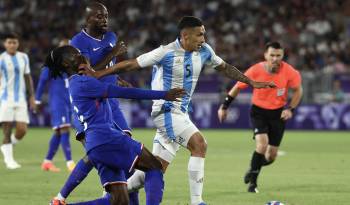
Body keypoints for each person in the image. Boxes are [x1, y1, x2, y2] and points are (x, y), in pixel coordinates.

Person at [83, 16, 275, 205]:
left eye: (204, 35)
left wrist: (250, 82)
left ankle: (110, 198)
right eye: (200, 35)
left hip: (180, 113)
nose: (204, 39)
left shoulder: (205, 51)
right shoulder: (165, 52)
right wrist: (99, 73)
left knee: (154, 169)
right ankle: (197, 202)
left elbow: (224, 67)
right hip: (165, 110)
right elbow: (132, 63)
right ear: (185, 36)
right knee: (199, 144)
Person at [47, 45, 185, 205]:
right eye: (75, 54)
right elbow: (125, 93)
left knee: (119, 201)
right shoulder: (83, 83)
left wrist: (96, 71)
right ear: (65, 63)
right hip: (108, 138)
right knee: (154, 166)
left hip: (95, 146)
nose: (80, 55)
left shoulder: (76, 84)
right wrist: (164, 95)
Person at [51, 2, 140, 204]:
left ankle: (112, 195)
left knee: (125, 156)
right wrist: (112, 53)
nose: (104, 20)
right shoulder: (78, 43)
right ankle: (60, 197)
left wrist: (117, 79)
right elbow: (86, 75)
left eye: (106, 16)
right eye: (99, 16)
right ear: (87, 19)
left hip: (111, 104)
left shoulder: (111, 38)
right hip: (90, 107)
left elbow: (108, 69)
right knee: (96, 153)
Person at [217, 42, 303, 193]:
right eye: (272, 55)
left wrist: (291, 109)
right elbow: (237, 87)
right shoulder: (255, 70)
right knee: (262, 145)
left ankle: (253, 168)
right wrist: (224, 106)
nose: (275, 58)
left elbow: (298, 90)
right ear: (265, 55)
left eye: (278, 55)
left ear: (282, 56)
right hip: (259, 112)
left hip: (278, 114)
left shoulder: (290, 72)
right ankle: (253, 185)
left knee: (271, 156)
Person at [35, 39, 75, 172]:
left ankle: (47, 162)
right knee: (65, 130)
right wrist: (37, 100)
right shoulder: (51, 66)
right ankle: (70, 163)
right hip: (58, 103)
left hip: (68, 103)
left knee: (59, 132)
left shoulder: (71, 66)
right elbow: (42, 82)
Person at [0, 33, 36, 169]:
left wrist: (31, 96)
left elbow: (27, 77)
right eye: (9, 42)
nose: (12, 45)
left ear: (17, 44)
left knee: (22, 130)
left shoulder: (23, 57)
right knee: (7, 129)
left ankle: (7, 146)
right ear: (5, 44)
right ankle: (9, 161)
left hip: (20, 98)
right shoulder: (1, 59)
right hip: (5, 98)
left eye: (14, 42)